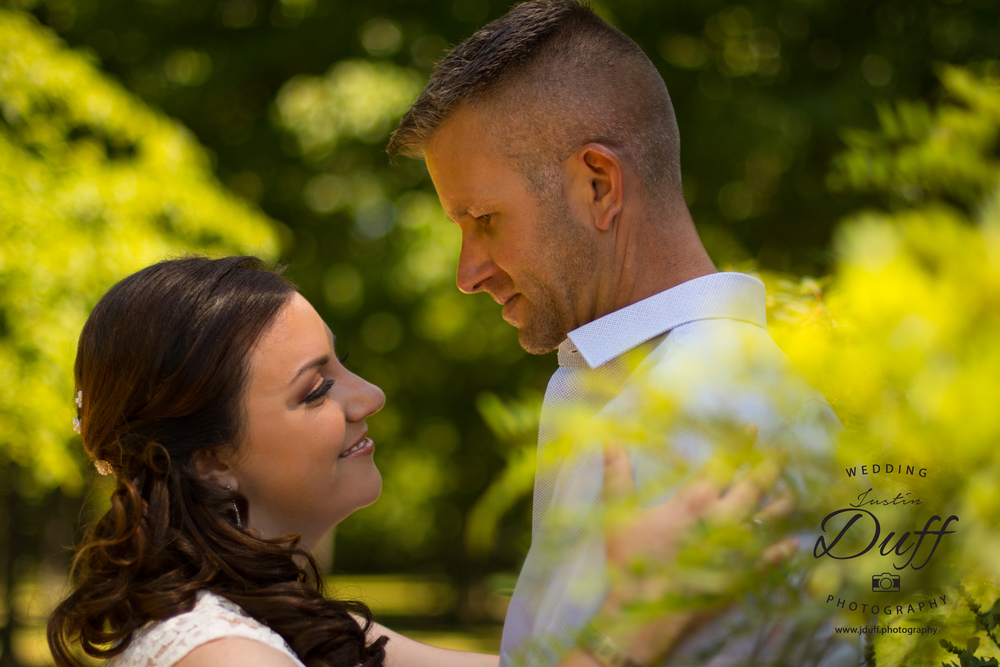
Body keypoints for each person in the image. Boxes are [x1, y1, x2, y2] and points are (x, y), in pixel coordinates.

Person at [388, 2, 855, 665]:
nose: (468, 273)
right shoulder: (639, 379)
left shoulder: (698, 408)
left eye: (485, 218)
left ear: (599, 185)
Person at [47, 256, 796, 667]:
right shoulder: (223, 656)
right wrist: (626, 625)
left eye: (343, 365)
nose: (369, 394)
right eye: (316, 390)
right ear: (212, 460)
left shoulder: (303, 625)